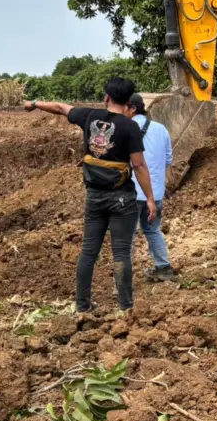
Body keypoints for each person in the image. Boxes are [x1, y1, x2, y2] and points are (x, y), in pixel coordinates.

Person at [24, 77, 155, 313]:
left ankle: (83, 306)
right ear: (128, 102)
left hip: (94, 196)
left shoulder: (89, 117)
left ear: (106, 98)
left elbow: (60, 107)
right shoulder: (130, 127)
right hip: (121, 199)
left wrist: (34, 102)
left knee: (88, 251)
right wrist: (150, 199)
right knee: (121, 252)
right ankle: (126, 308)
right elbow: (139, 166)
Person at [124, 93, 177, 282]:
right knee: (153, 229)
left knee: (126, 237)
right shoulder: (161, 129)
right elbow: (169, 159)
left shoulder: (125, 129)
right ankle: (163, 268)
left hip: (131, 193)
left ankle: (124, 279)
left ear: (132, 108)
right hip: (155, 193)